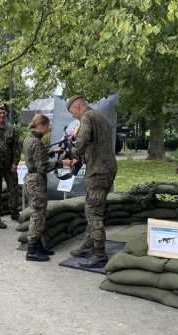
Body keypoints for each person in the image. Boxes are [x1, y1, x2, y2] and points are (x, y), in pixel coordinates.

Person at [66, 96, 117, 268]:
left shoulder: (87, 117)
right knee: (95, 209)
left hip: (97, 171)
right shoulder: (100, 117)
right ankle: (88, 245)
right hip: (106, 168)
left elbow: (80, 144)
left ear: (78, 106)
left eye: (73, 113)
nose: (74, 117)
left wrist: (71, 152)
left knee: (93, 212)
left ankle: (99, 254)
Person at [23, 114, 65, 261]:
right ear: (41, 126)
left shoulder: (30, 139)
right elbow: (42, 166)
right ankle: (32, 250)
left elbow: (36, 156)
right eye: (47, 127)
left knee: (39, 213)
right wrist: (63, 163)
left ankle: (39, 245)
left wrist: (52, 152)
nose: (48, 130)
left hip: (31, 179)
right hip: (36, 181)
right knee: (38, 214)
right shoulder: (36, 142)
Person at [0, 105, 21, 221]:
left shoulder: (11, 129)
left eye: (4, 113)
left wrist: (15, 163)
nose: (2, 115)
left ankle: (14, 212)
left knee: (13, 189)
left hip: (9, 165)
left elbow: (16, 147)